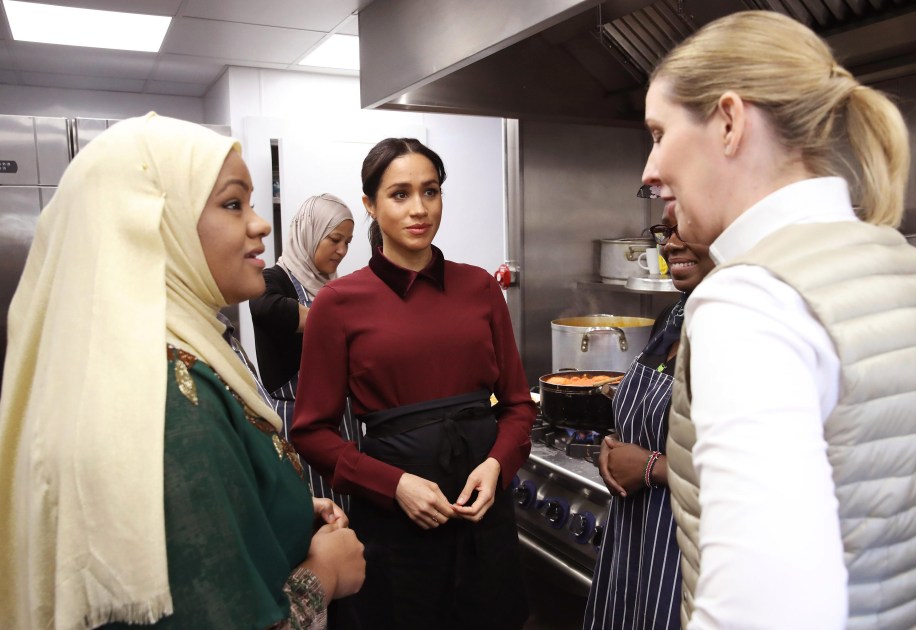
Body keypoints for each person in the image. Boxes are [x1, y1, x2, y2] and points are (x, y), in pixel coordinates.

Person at [640, 10, 916, 629]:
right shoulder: (915, 270)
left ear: (729, 121)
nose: (649, 170)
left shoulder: (750, 301)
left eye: (658, 132)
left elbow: (767, 613)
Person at [0, 112, 365, 629]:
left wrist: (281, 504)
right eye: (233, 203)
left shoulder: (169, 349)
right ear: (153, 227)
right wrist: (324, 575)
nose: (260, 223)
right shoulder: (172, 400)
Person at [290, 137, 536, 630]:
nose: (419, 209)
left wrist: (496, 466)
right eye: (399, 194)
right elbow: (311, 431)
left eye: (431, 191)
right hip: (396, 528)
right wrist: (394, 485)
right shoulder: (338, 303)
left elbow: (515, 404)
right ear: (370, 205)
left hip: (484, 519)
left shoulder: (480, 288)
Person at [584, 209, 714, 630]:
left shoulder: (738, 331)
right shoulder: (673, 319)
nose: (671, 243)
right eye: (665, 231)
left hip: (690, 551)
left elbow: (760, 473)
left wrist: (649, 466)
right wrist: (615, 443)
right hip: (635, 538)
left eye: (686, 229)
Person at [250, 194, 359, 502]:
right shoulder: (274, 279)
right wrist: (334, 323)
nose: (342, 250)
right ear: (309, 232)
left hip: (343, 415)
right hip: (296, 415)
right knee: (316, 511)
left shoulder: (335, 286)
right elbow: (266, 307)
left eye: (348, 242)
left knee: (350, 505)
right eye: (335, 239)